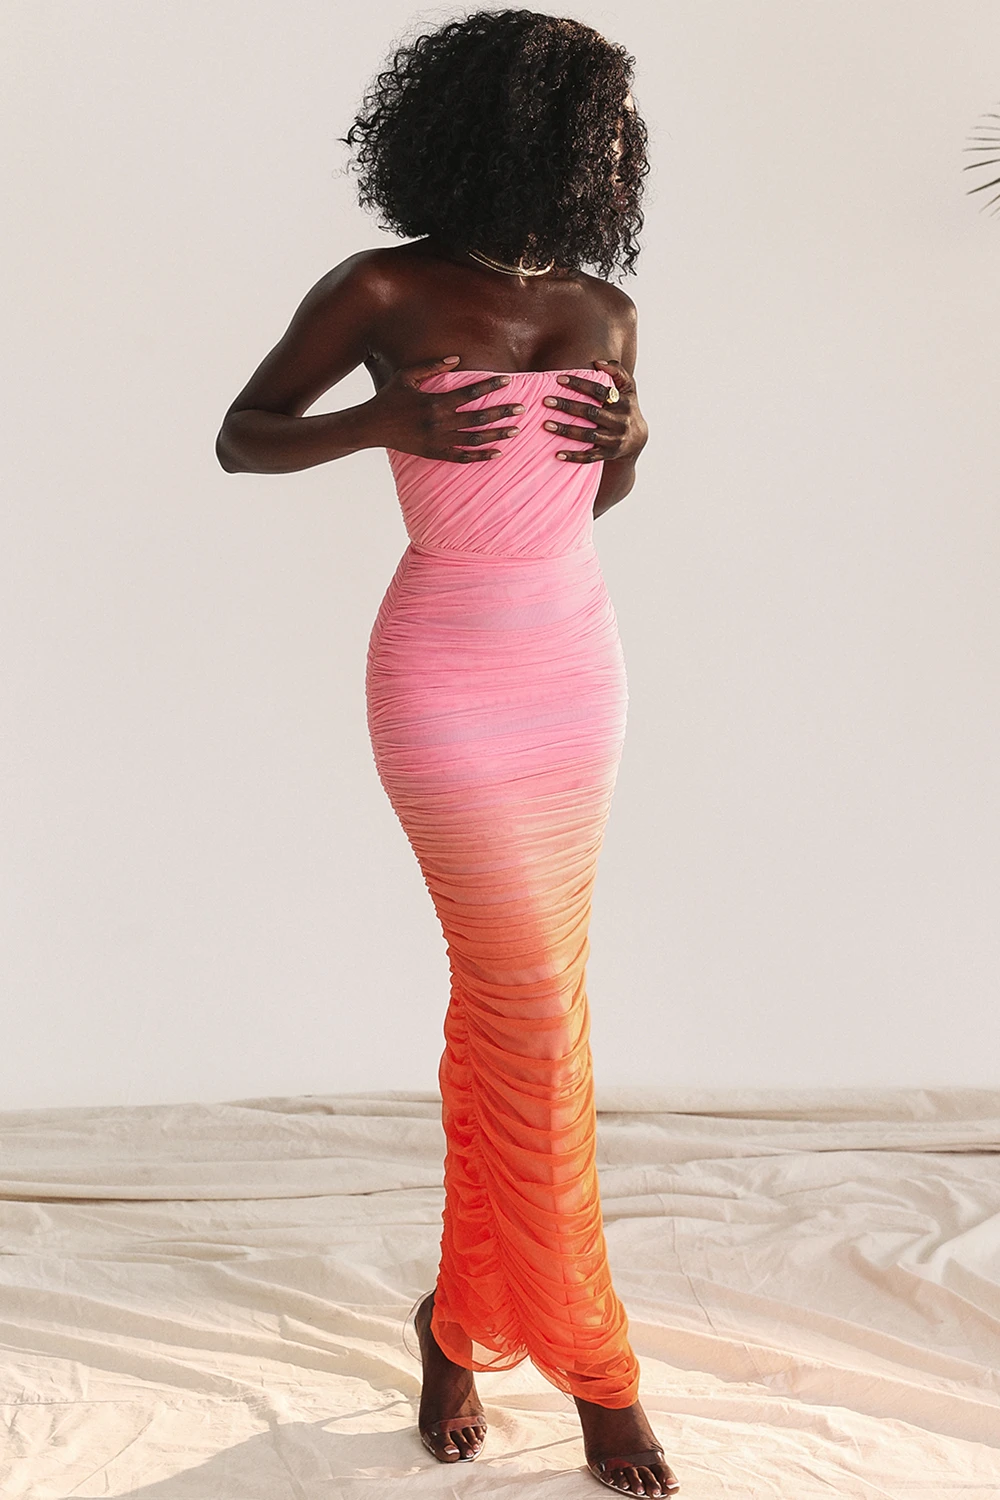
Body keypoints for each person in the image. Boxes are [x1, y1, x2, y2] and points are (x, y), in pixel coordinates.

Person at [216, 10, 678, 1496]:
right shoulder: (381, 286)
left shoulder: (607, 307)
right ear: (513, 130)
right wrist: (378, 422)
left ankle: (459, 1322)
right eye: (595, 121)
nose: (615, 145)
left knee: (520, 1007)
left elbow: (582, 502)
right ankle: (597, 1368)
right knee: (531, 1005)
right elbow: (241, 435)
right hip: (445, 669)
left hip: (575, 665)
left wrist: (632, 444)